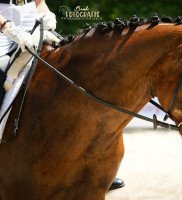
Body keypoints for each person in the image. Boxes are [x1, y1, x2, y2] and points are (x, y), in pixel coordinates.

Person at [0, 0, 124, 191]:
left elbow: (39, 2)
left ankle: (92, 165)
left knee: (72, 65)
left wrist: (45, 15)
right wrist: (6, 27)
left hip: (32, 29)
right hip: (3, 34)